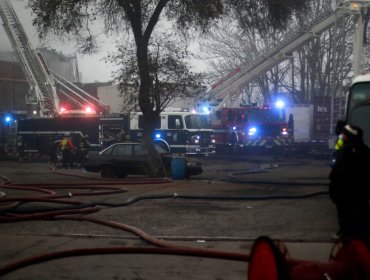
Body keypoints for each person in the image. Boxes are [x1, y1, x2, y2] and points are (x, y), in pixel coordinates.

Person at [329, 123, 370, 240]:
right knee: (362, 212)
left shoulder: (346, 150)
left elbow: (338, 173)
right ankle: (363, 237)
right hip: (362, 192)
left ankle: (346, 237)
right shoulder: (365, 149)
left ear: (348, 136)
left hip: (346, 192)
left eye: (344, 134)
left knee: (345, 215)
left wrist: (333, 190)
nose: (341, 135)